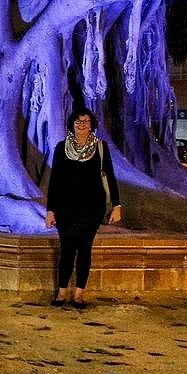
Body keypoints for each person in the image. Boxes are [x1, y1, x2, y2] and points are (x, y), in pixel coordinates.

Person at [44, 108, 122, 308]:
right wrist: (50, 209)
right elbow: (55, 180)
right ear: (72, 124)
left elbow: (110, 176)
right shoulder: (62, 148)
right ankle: (62, 292)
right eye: (78, 122)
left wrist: (116, 205)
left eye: (86, 122)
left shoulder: (100, 147)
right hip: (66, 207)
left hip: (91, 207)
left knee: (85, 249)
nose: (82, 125)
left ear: (92, 125)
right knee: (67, 249)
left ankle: (79, 294)